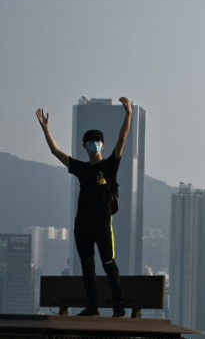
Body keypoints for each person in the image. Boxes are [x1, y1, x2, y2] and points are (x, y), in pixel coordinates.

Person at [36, 97, 133, 317]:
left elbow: (123, 137)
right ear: (84, 145)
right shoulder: (80, 168)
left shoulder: (110, 165)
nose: (94, 144)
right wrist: (46, 129)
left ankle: (118, 306)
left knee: (108, 263)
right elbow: (55, 151)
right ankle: (92, 307)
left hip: (103, 223)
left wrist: (129, 114)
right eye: (90, 141)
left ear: (103, 145)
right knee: (87, 267)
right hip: (83, 224)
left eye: (97, 141)